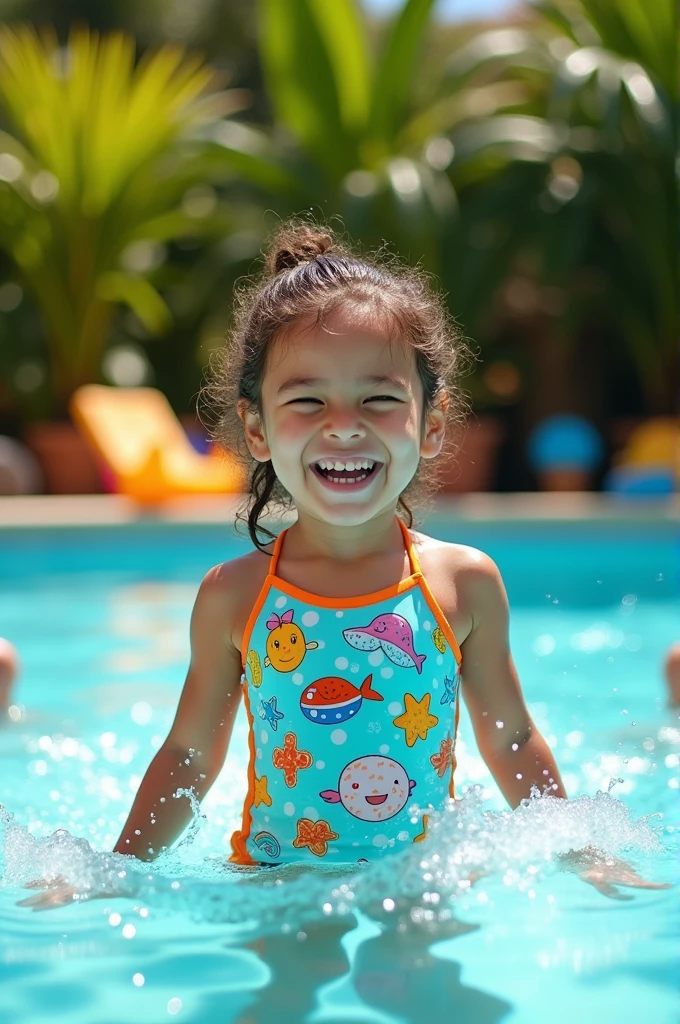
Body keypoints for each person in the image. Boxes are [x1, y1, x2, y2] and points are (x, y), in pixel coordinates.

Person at [19, 222, 666, 909]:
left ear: (434, 423)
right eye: (307, 400)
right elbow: (188, 755)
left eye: (379, 399)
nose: (344, 424)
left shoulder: (463, 583)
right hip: (279, 882)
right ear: (259, 429)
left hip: (425, 883)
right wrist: (113, 873)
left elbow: (511, 738)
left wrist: (581, 851)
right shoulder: (235, 596)